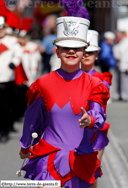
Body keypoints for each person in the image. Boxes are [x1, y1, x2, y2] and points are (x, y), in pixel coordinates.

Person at [19, 14, 110, 188]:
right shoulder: (42, 84)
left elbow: (99, 116)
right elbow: (32, 121)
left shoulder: (95, 84)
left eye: (76, 48)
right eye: (65, 47)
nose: (71, 51)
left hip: (80, 158)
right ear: (57, 51)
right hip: (49, 158)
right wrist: (25, 146)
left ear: (84, 51)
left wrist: (89, 120)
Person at [81, 30, 112, 188]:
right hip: (74, 129)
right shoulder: (69, 76)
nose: (86, 55)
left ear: (97, 54)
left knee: (91, 173)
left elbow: (101, 92)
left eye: (91, 52)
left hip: (95, 132)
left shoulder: (103, 78)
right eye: (83, 51)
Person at [0, 16, 22, 142]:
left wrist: (14, 62)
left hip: (7, 79)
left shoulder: (13, 41)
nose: (0, 30)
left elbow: (18, 54)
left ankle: (5, 131)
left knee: (6, 107)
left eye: (2, 28)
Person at [113, 30, 128, 101]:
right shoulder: (117, 43)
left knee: (124, 80)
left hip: (124, 64)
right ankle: (118, 94)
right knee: (117, 80)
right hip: (118, 64)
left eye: (118, 36)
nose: (117, 37)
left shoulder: (126, 43)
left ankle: (124, 94)